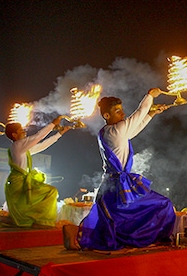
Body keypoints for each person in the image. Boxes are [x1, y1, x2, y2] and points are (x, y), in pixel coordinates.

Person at [64, 89, 176, 251]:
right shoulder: (116, 131)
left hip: (111, 185)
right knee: (161, 204)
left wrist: (151, 114)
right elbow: (138, 114)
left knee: (117, 221)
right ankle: (75, 231)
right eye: (117, 111)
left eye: (122, 110)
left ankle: (75, 232)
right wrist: (150, 96)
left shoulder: (109, 132)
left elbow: (134, 129)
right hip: (116, 186)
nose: (122, 114)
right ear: (106, 116)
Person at [4, 116, 73, 228]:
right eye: (21, 131)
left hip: (21, 183)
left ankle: (37, 220)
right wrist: (52, 124)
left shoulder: (22, 148)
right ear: (14, 135)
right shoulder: (18, 145)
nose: (24, 132)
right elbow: (37, 137)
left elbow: (42, 146)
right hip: (18, 184)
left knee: (48, 192)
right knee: (51, 191)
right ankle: (41, 221)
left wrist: (59, 134)